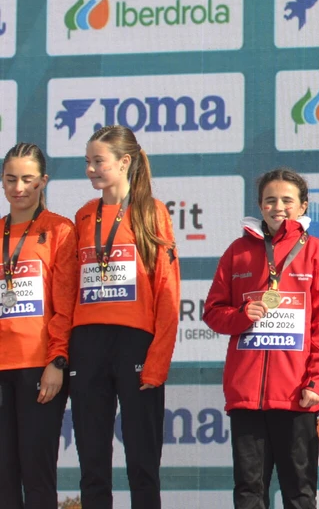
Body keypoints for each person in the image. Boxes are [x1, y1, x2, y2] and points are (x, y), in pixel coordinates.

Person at [204, 168, 319, 509]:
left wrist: (316, 382)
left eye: (287, 200)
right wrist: (239, 316)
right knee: (249, 491)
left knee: (299, 492)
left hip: (297, 394)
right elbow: (213, 312)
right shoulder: (238, 251)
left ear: (303, 206)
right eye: (270, 200)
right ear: (260, 205)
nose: (278, 207)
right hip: (247, 395)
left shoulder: (318, 253)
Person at [71, 125, 180, 509]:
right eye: (87, 162)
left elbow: (168, 291)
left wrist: (157, 363)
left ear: (125, 162)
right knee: (92, 463)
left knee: (142, 463)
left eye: (98, 161)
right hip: (87, 344)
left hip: (136, 343)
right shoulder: (83, 216)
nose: (90, 169)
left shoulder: (152, 211)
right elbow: (69, 289)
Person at [0, 143, 77, 509]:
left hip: (38, 367)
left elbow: (65, 303)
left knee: (37, 473)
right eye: (11, 178)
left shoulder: (59, 230)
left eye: (28, 179)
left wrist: (57, 360)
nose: (19, 188)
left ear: (43, 181)